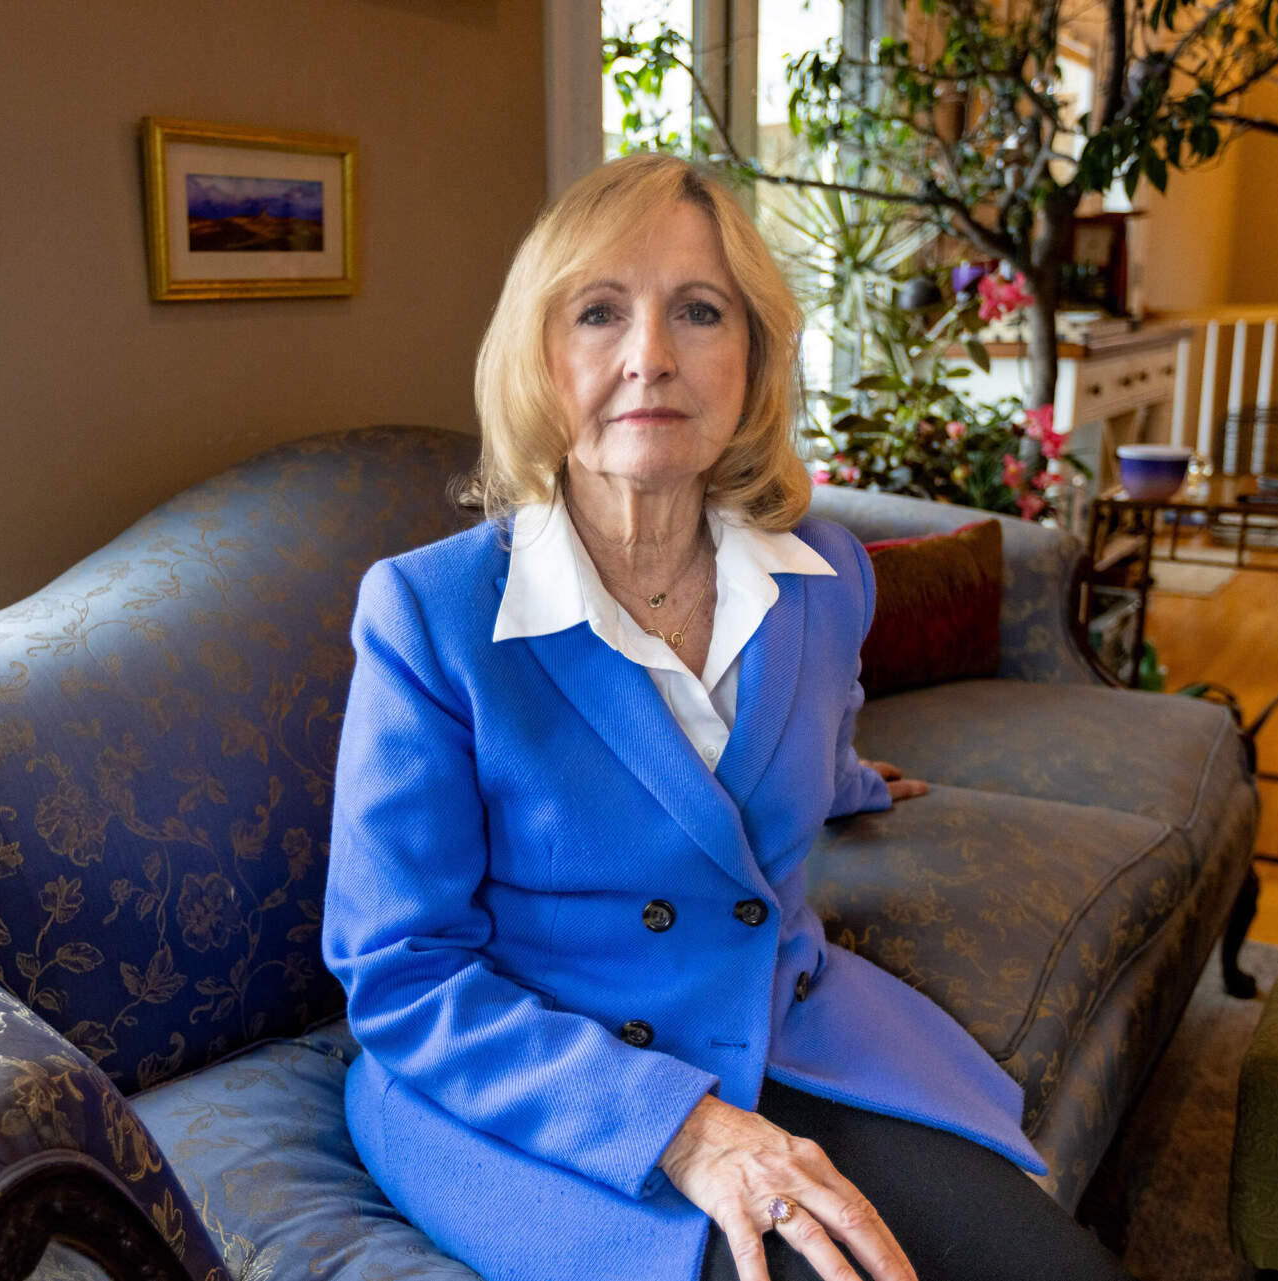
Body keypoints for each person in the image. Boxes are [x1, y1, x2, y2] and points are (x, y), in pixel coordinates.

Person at [322, 153, 1133, 1281]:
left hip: (783, 1027)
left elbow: (780, 752)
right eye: (599, 312)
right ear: (539, 358)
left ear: (751, 357)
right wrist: (687, 1131)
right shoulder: (429, 614)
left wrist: (846, 778)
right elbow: (400, 969)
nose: (648, 356)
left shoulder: (827, 579)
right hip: (541, 1095)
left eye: (697, 312)